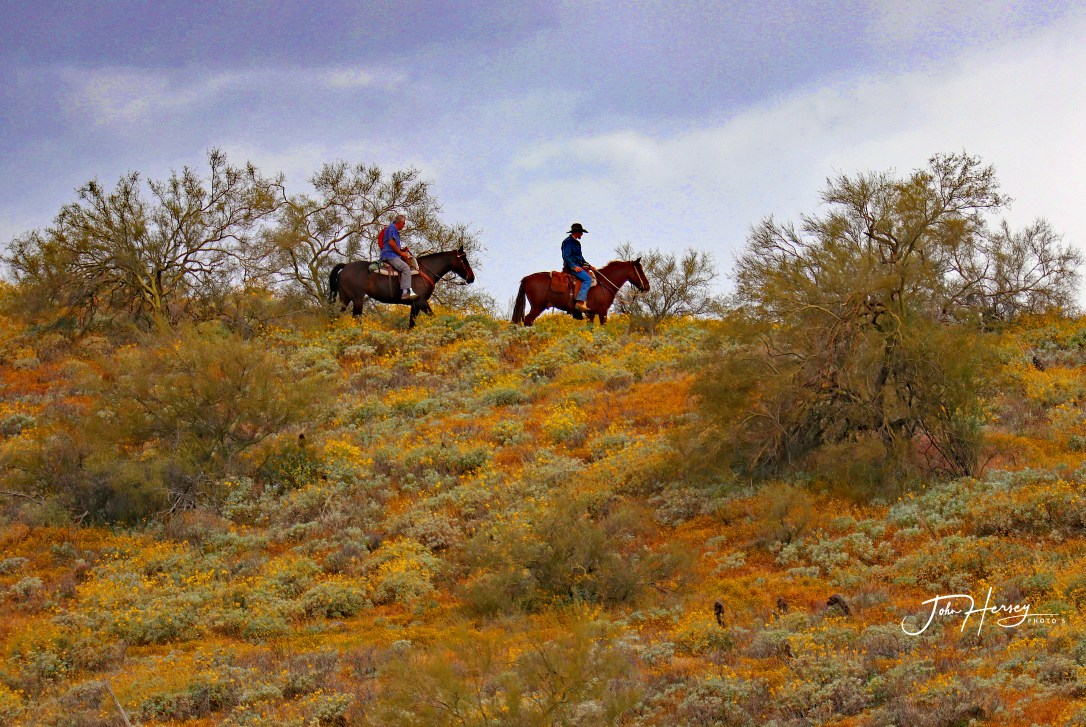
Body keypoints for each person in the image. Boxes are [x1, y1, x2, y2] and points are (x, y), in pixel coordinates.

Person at [378, 214, 417, 300]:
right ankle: (405, 293)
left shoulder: (391, 228)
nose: (404, 225)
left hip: (390, 254)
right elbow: (391, 243)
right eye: (403, 223)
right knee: (405, 268)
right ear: (399, 222)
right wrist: (401, 253)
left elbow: (391, 243)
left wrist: (402, 250)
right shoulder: (392, 228)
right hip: (390, 255)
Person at [561, 222, 593, 311]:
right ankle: (580, 302)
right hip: (571, 268)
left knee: (591, 275)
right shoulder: (567, 242)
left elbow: (580, 258)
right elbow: (566, 256)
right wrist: (573, 267)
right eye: (581, 232)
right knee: (588, 279)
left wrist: (589, 266)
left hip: (578, 266)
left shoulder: (577, 243)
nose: (582, 234)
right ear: (577, 232)